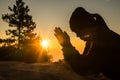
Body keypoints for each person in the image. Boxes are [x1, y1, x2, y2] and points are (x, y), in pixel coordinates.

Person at [54, 7, 120, 80]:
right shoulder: (95, 38)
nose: (77, 35)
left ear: (86, 26)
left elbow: (84, 68)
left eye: (77, 31)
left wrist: (67, 45)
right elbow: (84, 61)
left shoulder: (102, 39)